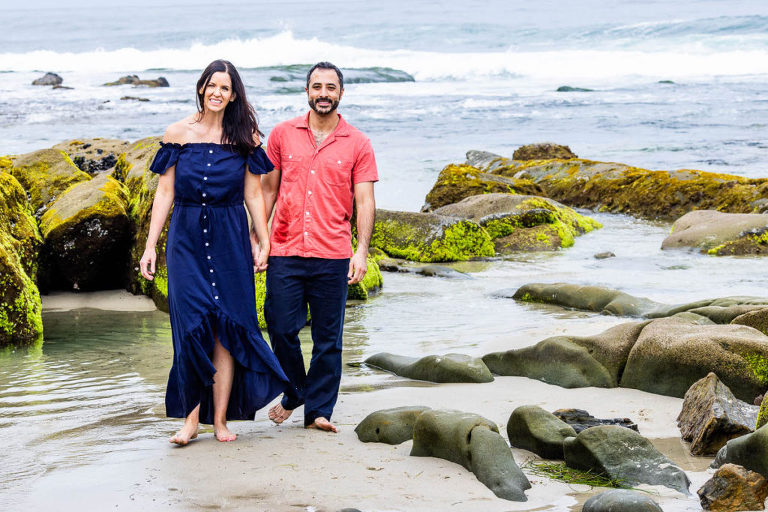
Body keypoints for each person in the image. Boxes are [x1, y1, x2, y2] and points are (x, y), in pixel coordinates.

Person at [140, 59, 288, 445]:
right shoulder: (178, 133)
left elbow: (253, 193)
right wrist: (150, 244)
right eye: (212, 85)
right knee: (191, 329)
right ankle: (190, 420)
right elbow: (165, 192)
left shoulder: (246, 137)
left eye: (225, 87)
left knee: (226, 330)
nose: (217, 92)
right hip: (186, 238)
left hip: (230, 238)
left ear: (234, 94)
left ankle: (220, 420)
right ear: (202, 88)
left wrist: (264, 238)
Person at [261, 61, 378, 433]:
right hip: (285, 249)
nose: (323, 93)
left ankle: (318, 412)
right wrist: (259, 240)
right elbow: (268, 189)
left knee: (329, 340)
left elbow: (365, 200)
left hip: (332, 254)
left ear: (341, 93)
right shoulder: (281, 135)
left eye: (330, 87)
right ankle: (296, 390)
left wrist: (361, 252)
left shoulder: (358, 142)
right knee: (279, 327)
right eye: (317, 87)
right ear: (307, 91)